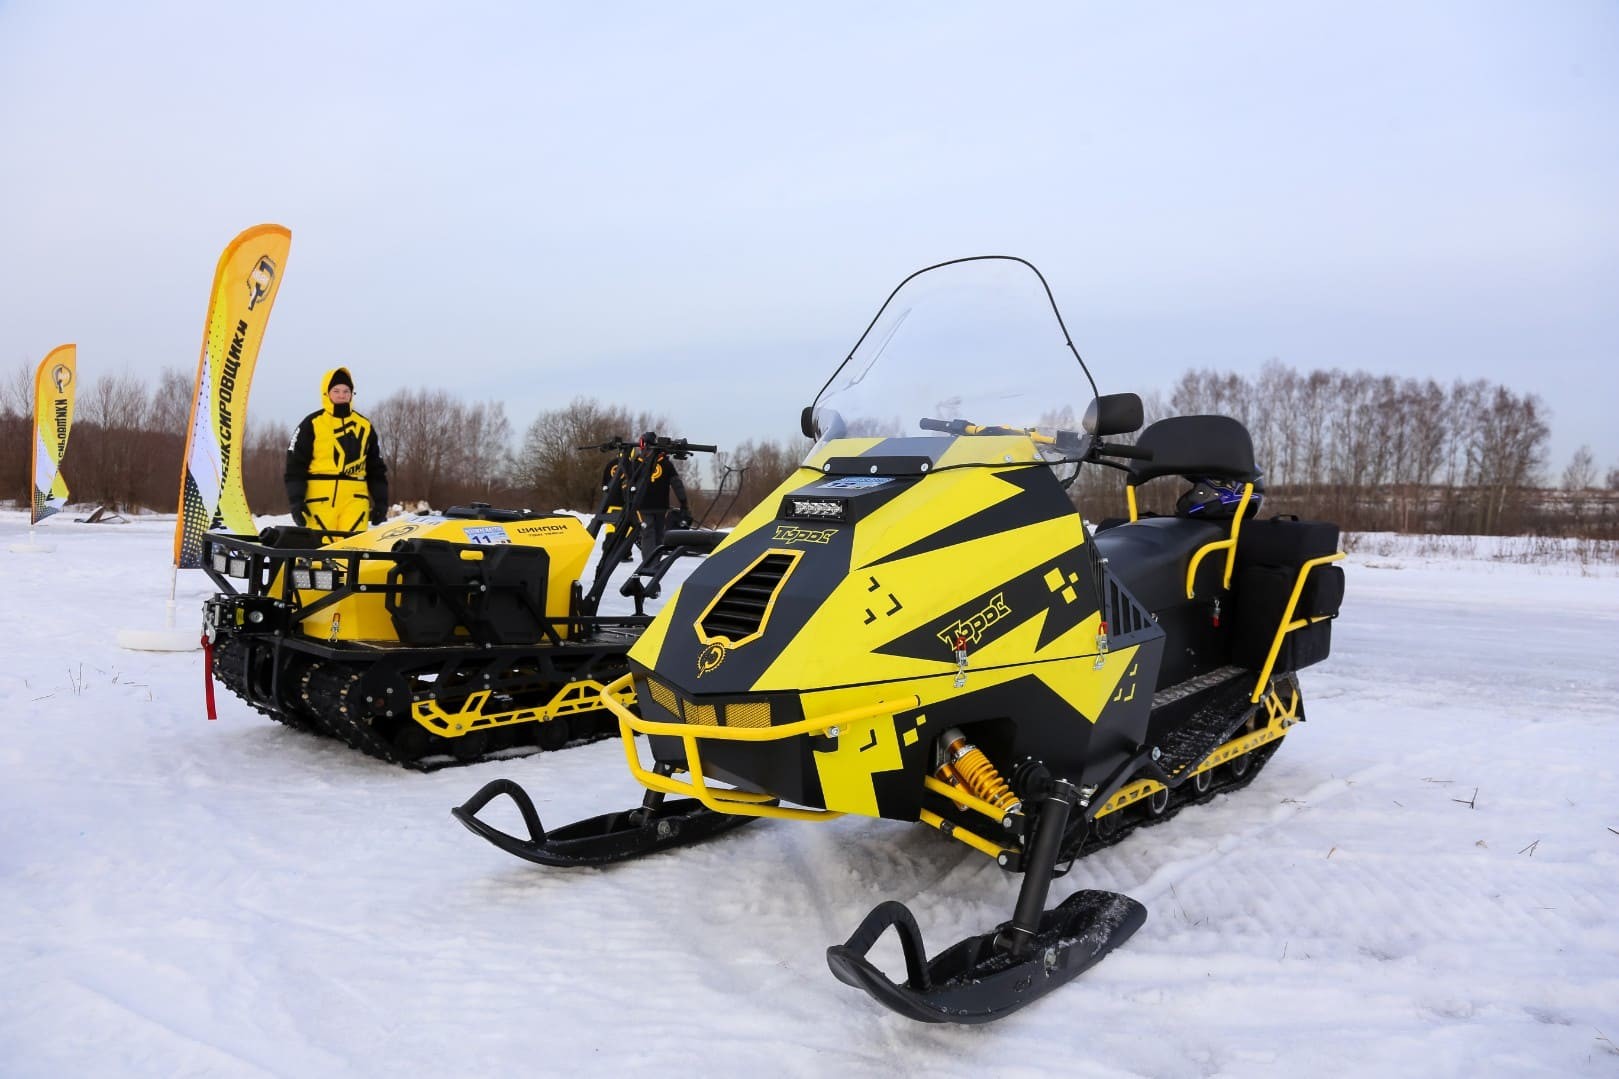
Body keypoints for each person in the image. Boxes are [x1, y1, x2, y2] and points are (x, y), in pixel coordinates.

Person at [285, 367, 389, 532]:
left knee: (353, 546)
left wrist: (381, 502)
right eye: (336, 391)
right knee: (320, 546)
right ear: (326, 393)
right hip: (319, 500)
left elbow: (376, 468)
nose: (342, 395)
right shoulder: (312, 423)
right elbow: (295, 466)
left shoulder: (365, 426)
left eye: (346, 391)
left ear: (352, 394)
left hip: (355, 500)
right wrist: (296, 501)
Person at [630, 430, 691, 563]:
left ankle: (652, 563)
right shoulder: (662, 463)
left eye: (642, 444)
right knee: (654, 534)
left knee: (653, 534)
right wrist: (683, 503)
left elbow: (677, 484)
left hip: (650, 506)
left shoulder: (641, 463)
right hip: (653, 506)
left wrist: (684, 503)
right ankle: (652, 563)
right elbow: (677, 485)